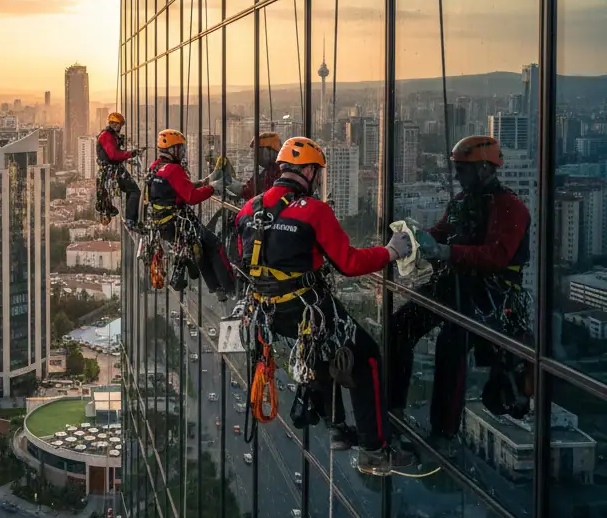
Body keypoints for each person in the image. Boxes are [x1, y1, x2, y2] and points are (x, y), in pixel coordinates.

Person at [235, 136, 415, 474]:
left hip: (271, 315)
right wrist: (391, 251)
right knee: (368, 357)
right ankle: (375, 451)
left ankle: (336, 428)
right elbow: (348, 262)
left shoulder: (249, 209)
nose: (317, 181)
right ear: (306, 171)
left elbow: (246, 258)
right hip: (308, 310)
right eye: (316, 174)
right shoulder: (315, 211)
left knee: (320, 350)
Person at [389, 136, 532, 447]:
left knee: (451, 345)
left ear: (484, 168)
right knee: (400, 325)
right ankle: (394, 409)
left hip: (488, 295)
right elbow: (441, 231)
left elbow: (497, 255)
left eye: (462, 170)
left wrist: (445, 252)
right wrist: (415, 237)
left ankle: (444, 432)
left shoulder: (511, 208)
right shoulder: (461, 202)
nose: (457, 177)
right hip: (453, 283)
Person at [146, 128, 235, 300]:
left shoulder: (156, 167)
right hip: (179, 223)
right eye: (180, 149)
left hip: (164, 225)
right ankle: (230, 287)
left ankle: (216, 288)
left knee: (199, 250)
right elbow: (192, 197)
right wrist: (213, 187)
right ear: (173, 150)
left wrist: (205, 181)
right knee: (214, 244)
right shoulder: (174, 169)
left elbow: (179, 188)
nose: (183, 153)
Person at [96, 112, 142, 233]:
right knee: (134, 191)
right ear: (110, 123)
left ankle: (130, 218)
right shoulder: (106, 136)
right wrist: (129, 154)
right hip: (113, 170)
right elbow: (113, 155)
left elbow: (114, 153)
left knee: (131, 190)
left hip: (112, 169)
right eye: (115, 124)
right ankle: (131, 220)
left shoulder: (111, 136)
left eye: (119, 124)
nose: (118, 126)